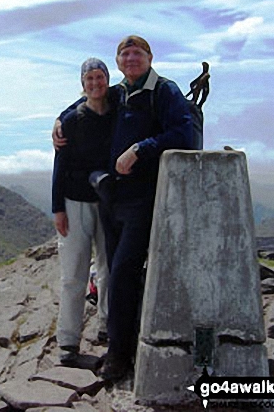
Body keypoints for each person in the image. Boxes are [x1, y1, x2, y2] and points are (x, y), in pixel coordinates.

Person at [53, 36, 193, 380]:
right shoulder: (120, 91)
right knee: (114, 274)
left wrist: (140, 149)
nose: (131, 58)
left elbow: (184, 135)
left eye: (138, 53)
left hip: (142, 198)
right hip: (111, 200)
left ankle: (118, 355)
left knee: (124, 272)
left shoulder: (164, 91)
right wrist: (60, 120)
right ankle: (117, 341)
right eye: (125, 53)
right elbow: (88, 99)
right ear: (118, 62)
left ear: (149, 57)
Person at [52, 58, 111, 366]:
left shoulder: (117, 108)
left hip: (108, 202)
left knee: (108, 269)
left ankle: (107, 327)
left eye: (99, 77)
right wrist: (57, 208)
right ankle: (68, 340)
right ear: (82, 83)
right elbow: (59, 164)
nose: (95, 83)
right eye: (89, 78)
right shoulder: (73, 120)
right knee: (73, 274)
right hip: (74, 202)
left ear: (107, 79)